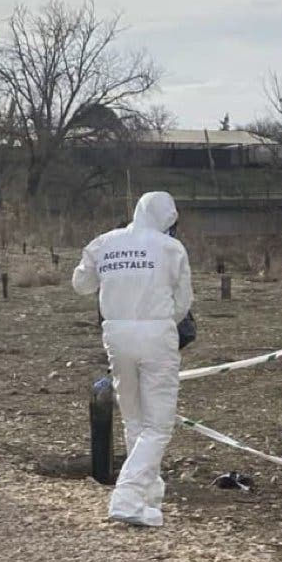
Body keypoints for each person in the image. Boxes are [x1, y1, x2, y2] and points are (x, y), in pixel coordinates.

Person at [72, 191, 193, 527]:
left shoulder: (103, 243)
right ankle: (126, 495)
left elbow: (80, 284)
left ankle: (148, 495)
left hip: (115, 334)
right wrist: (162, 320)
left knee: (134, 418)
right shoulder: (171, 248)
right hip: (157, 334)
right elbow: (183, 302)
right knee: (159, 425)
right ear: (167, 218)